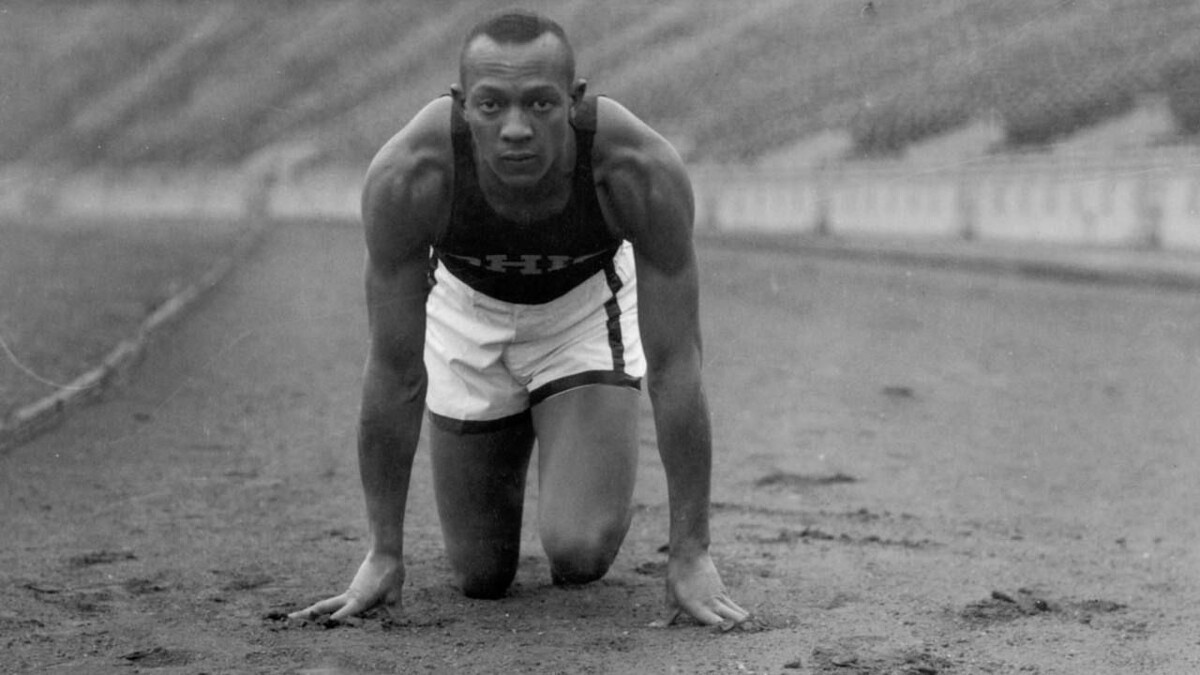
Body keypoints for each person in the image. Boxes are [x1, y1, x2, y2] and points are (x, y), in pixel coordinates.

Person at [291, 9, 749, 628]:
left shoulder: (636, 169)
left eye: (539, 104)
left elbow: (676, 364)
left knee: (579, 551)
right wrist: (384, 552)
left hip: (580, 314)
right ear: (461, 106)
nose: (515, 129)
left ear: (574, 101)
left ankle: (583, 456)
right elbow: (394, 370)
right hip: (466, 315)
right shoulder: (410, 175)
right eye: (490, 105)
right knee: (480, 577)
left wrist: (690, 553)